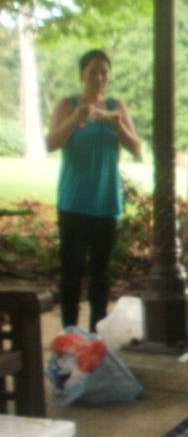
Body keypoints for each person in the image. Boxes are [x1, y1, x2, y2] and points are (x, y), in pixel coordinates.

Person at [46, 49, 142, 331]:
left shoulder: (116, 106)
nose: (99, 77)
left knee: (102, 272)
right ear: (82, 75)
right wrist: (76, 117)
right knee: (72, 270)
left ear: (109, 77)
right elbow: (50, 143)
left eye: (104, 72)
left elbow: (137, 148)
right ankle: (70, 331)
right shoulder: (68, 104)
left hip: (106, 201)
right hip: (74, 200)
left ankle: (97, 333)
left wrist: (118, 125)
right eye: (93, 72)